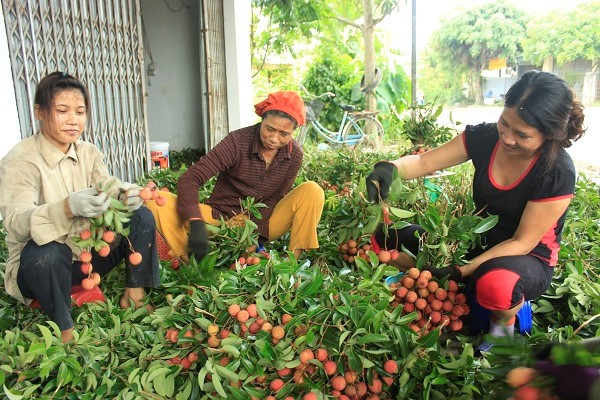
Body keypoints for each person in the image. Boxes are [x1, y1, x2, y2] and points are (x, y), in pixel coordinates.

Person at [366, 71, 585, 350]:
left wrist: (460, 270)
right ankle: (425, 286)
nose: (507, 138)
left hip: (527, 257)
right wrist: (390, 168)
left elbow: (521, 242)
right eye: (504, 123)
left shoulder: (556, 172)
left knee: (496, 282)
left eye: (522, 135)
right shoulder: (484, 137)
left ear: (548, 135)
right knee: (387, 235)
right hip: (474, 244)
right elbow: (422, 163)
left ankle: (502, 330)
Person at [0, 71, 160, 343]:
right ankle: (64, 327)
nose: (73, 120)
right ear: (39, 112)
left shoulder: (88, 151)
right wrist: (64, 208)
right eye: (62, 111)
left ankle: (135, 294)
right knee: (47, 252)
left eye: (80, 111)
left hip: (86, 255)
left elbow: (105, 183)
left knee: (141, 216)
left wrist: (125, 193)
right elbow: (15, 221)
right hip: (42, 268)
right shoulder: (21, 161)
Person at [146, 91, 324, 262]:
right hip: (220, 217)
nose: (274, 139)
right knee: (157, 201)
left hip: (262, 222)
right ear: (262, 121)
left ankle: (292, 260)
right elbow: (190, 178)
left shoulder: (294, 155)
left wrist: (253, 235)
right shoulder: (237, 142)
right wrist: (196, 223)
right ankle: (187, 257)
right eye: (270, 129)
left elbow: (277, 197)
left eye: (284, 134)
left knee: (312, 191)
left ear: (294, 132)